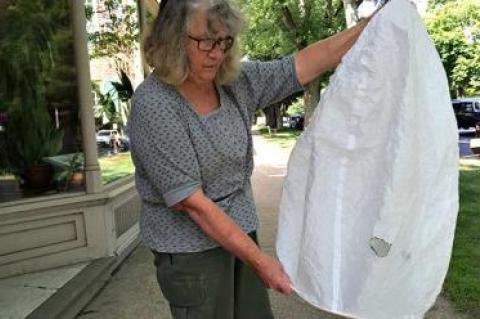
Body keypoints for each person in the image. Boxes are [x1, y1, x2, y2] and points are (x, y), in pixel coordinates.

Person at [128, 0, 378, 318]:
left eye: (224, 40)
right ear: (172, 38)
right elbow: (193, 204)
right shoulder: (155, 104)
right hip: (190, 252)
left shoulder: (235, 82)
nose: (217, 53)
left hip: (240, 235)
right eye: (206, 41)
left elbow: (300, 65)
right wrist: (262, 263)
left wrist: (367, 27)